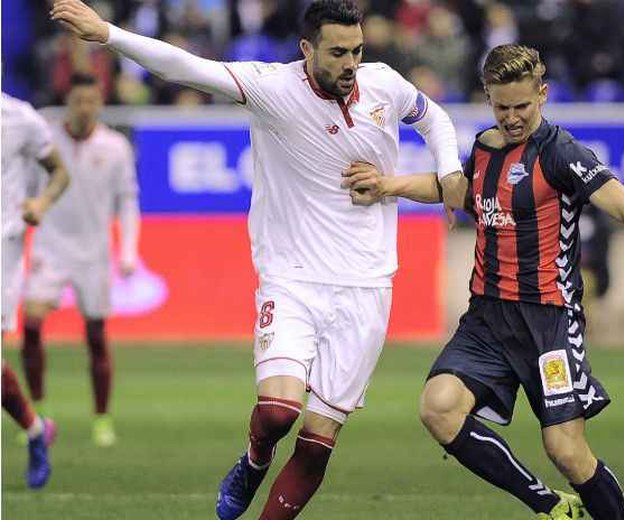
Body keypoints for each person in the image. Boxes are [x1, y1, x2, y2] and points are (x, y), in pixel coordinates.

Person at [50, 1, 465, 519]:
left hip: (369, 286)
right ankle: (254, 457)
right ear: (307, 49)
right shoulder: (273, 88)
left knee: (317, 442)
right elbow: (185, 67)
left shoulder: (384, 84)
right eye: (337, 52)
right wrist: (108, 34)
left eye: (357, 51)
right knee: (277, 411)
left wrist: (449, 169)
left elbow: (435, 117)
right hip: (292, 279)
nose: (350, 63)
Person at [344, 44, 624, 520]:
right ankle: (551, 507)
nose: (511, 117)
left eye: (522, 107)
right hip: (488, 318)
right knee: (439, 407)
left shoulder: (561, 153)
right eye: (501, 106)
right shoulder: (485, 148)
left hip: (548, 321)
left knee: (566, 450)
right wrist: (388, 185)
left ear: (543, 94)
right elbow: (452, 189)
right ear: (488, 98)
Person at [19, 73, 140, 448]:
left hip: (94, 253)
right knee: (33, 324)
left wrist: (129, 250)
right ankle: (36, 414)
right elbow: (24, 191)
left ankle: (101, 417)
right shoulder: (46, 141)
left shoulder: (115, 146)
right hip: (50, 248)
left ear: (99, 103)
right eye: (77, 101)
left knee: (95, 336)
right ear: (67, 103)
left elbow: (128, 201)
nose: (84, 108)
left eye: (91, 101)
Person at [2, 93, 71, 488]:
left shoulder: (21, 118)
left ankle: (33, 428)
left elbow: (60, 171)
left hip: (4, 244)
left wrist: (41, 203)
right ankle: (34, 428)